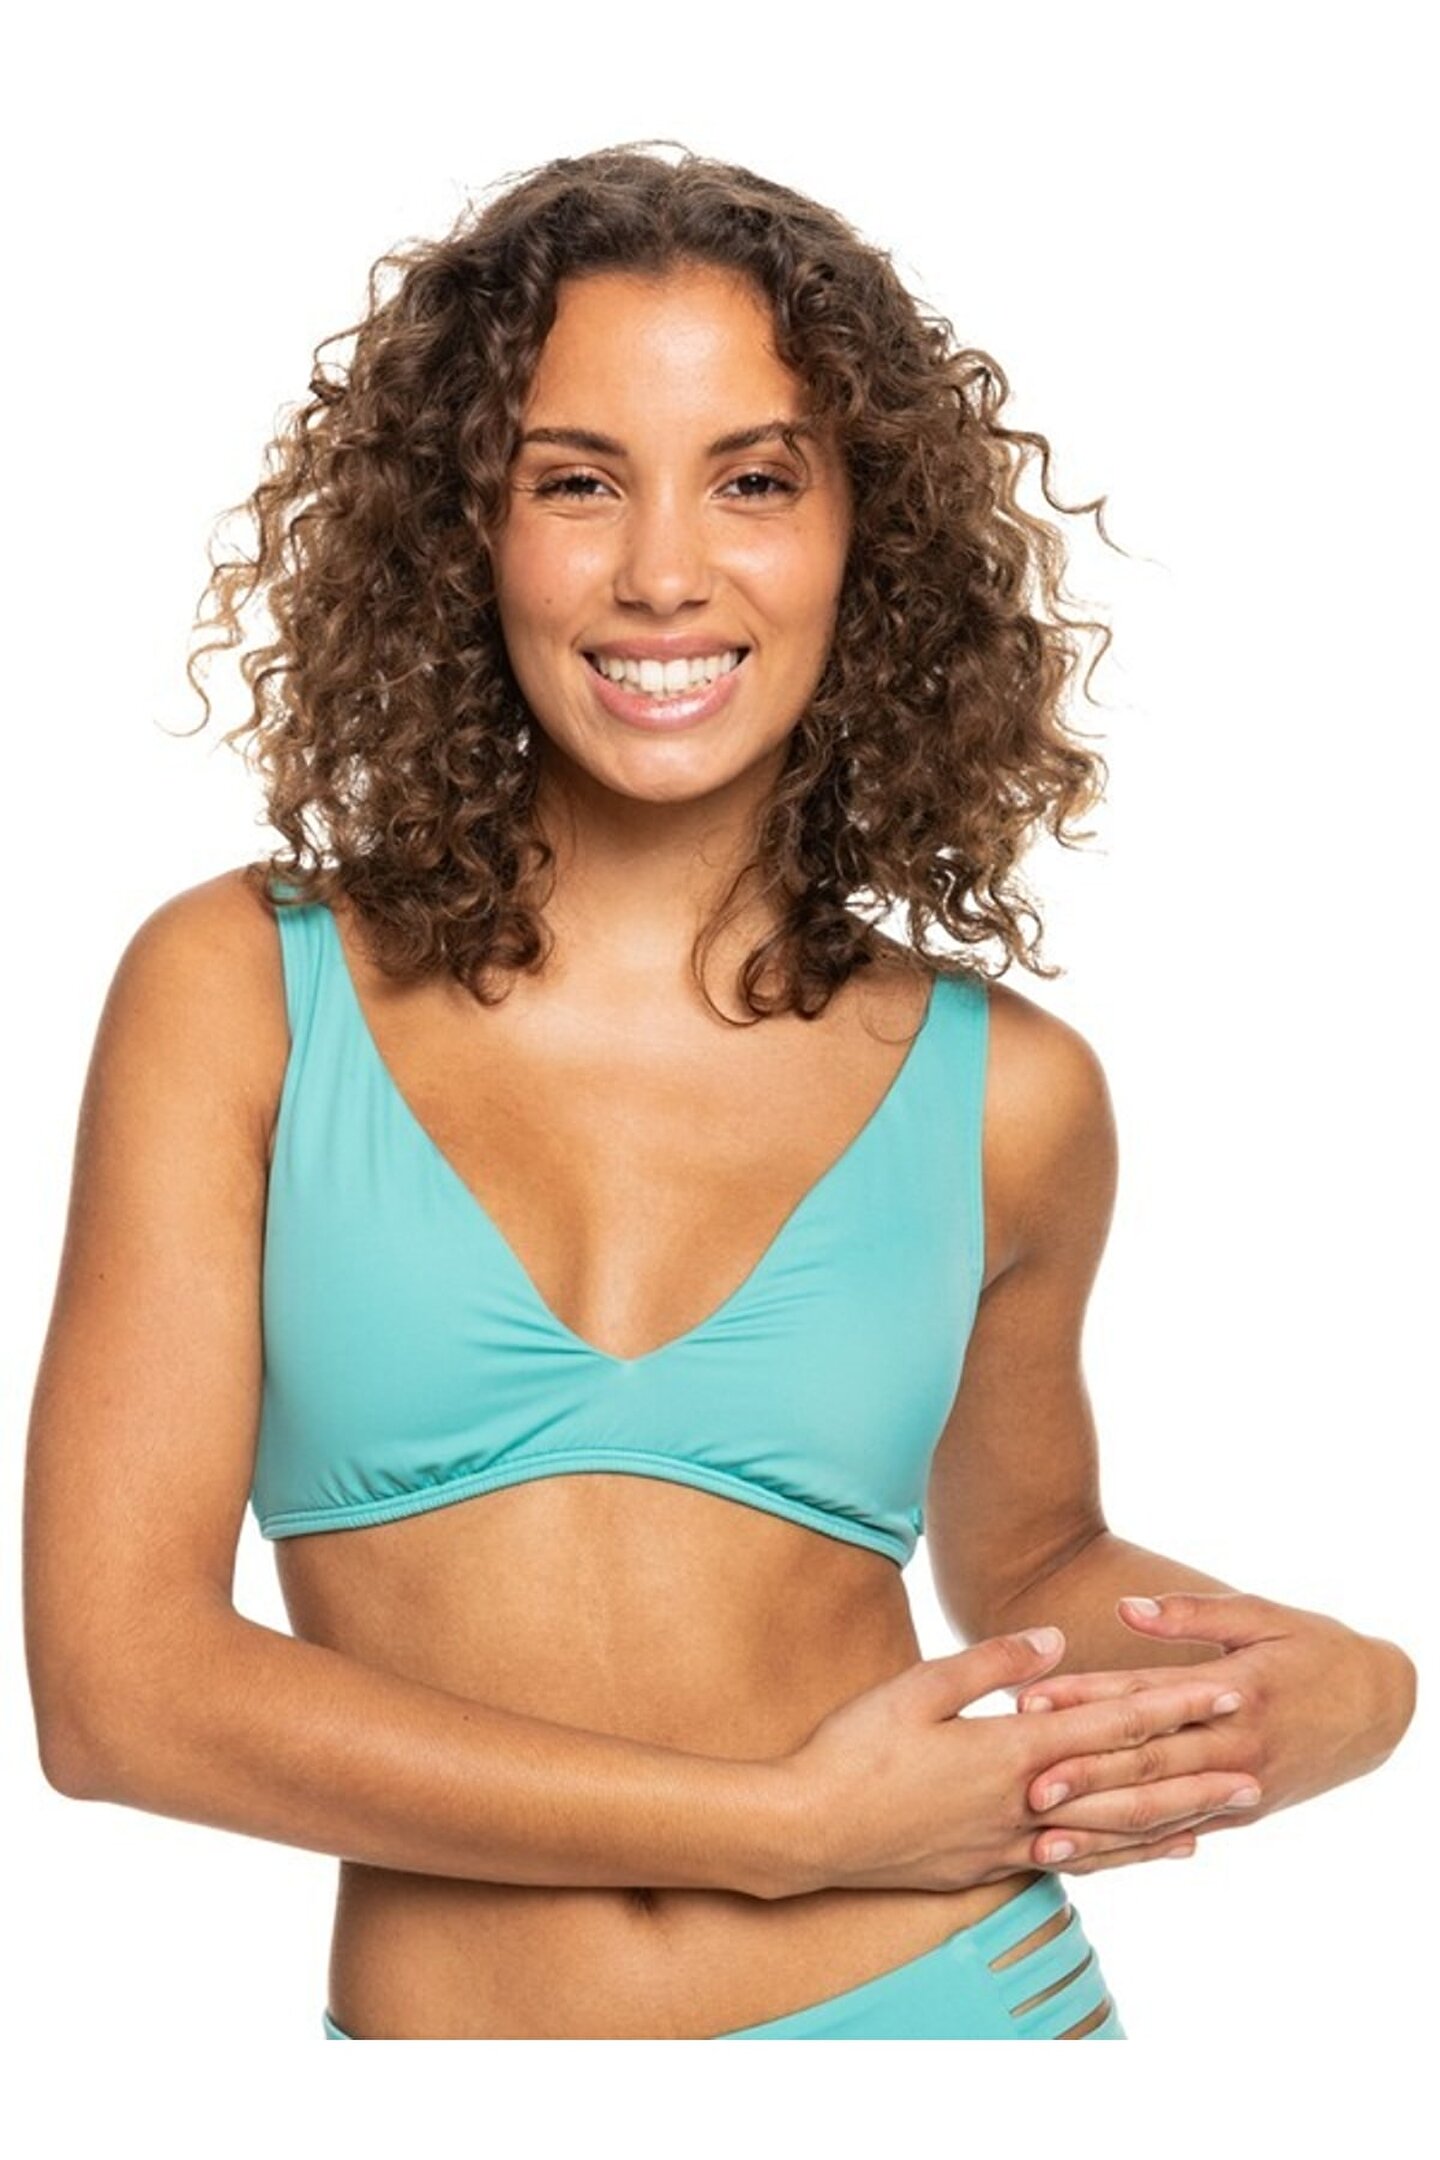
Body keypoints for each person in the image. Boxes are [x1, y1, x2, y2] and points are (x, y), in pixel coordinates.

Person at [22, 141, 1416, 2042]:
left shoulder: (1004, 1094)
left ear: (866, 539)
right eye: (575, 481)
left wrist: (1341, 1691)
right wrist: (780, 1830)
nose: (665, 572)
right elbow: (118, 1696)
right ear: (464, 531)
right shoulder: (245, 993)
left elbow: (1033, 1564)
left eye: (755, 480)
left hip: (953, 2028)